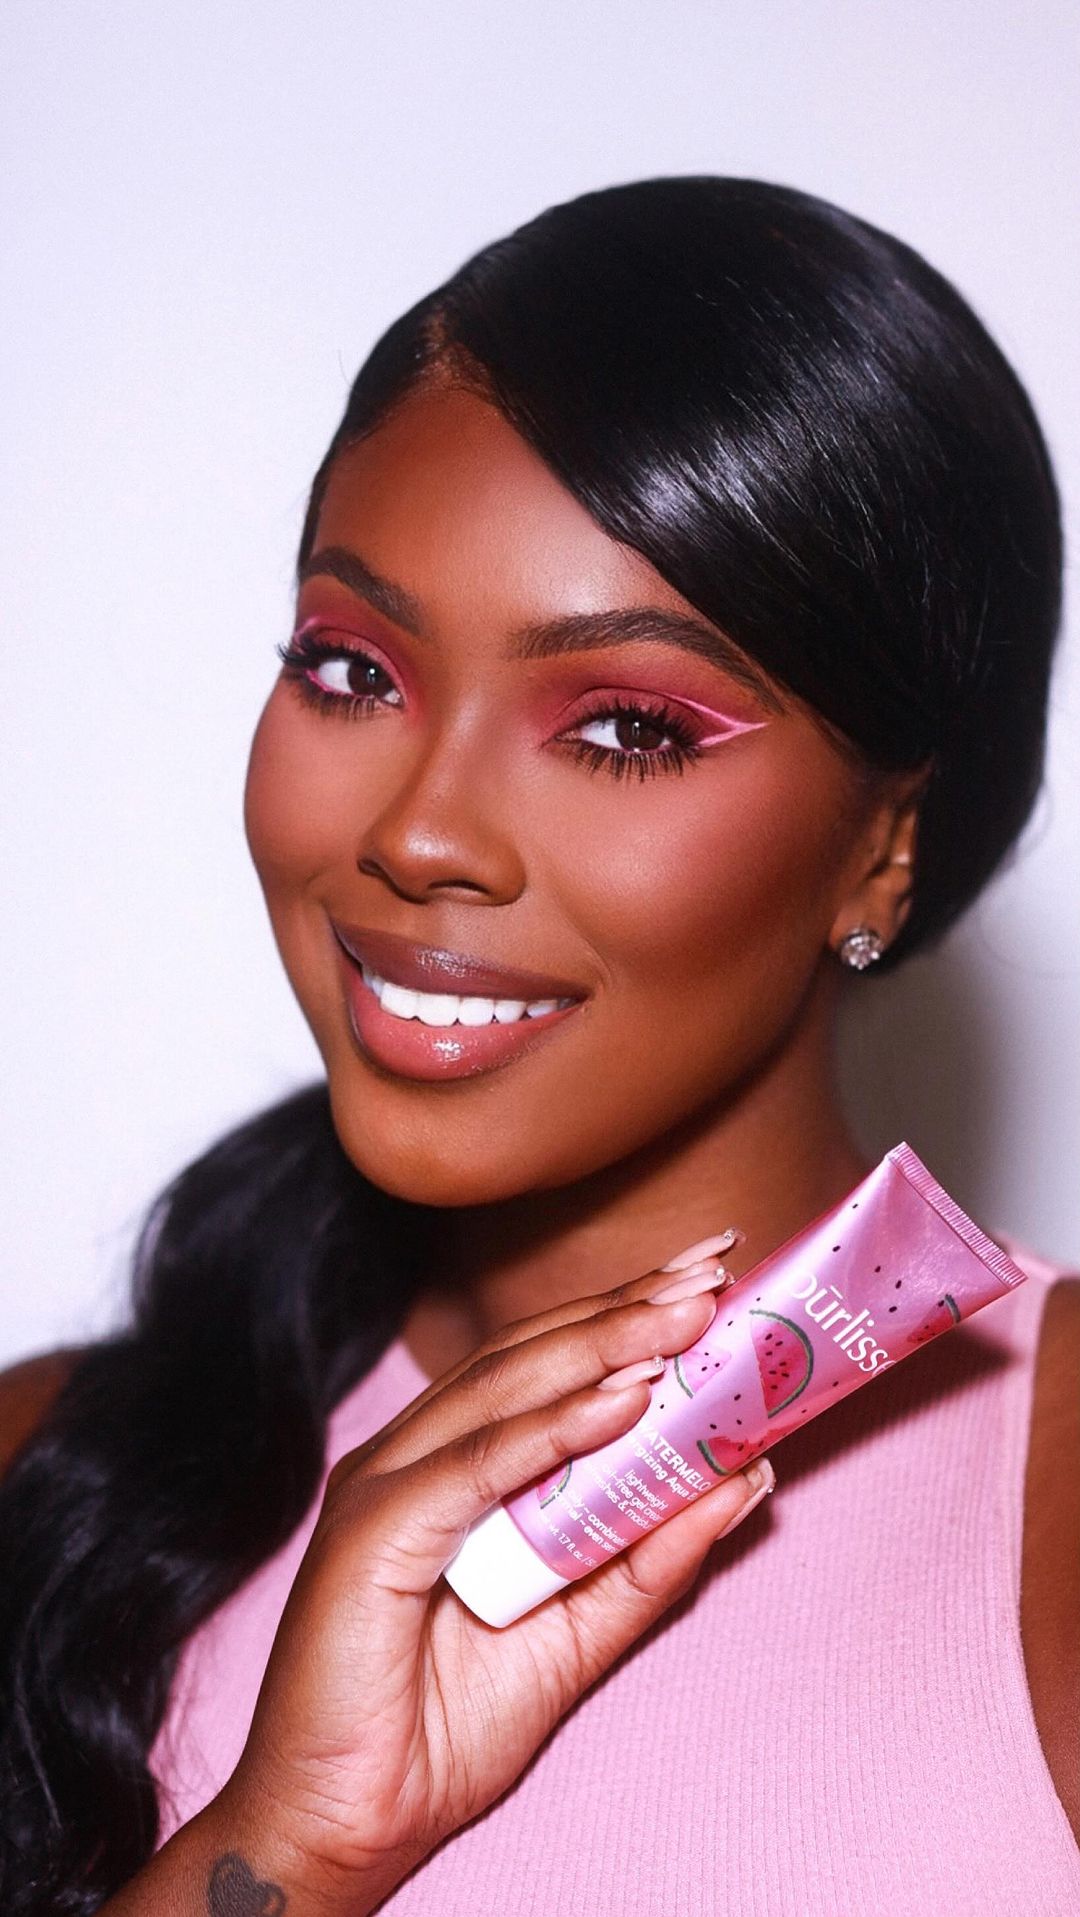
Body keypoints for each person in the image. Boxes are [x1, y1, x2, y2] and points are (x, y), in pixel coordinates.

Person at [0, 175, 1075, 1916]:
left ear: (884, 843)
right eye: (354, 670)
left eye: (628, 726)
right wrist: (291, 1846)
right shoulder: (56, 1481)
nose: (421, 832)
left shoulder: (1057, 1481)